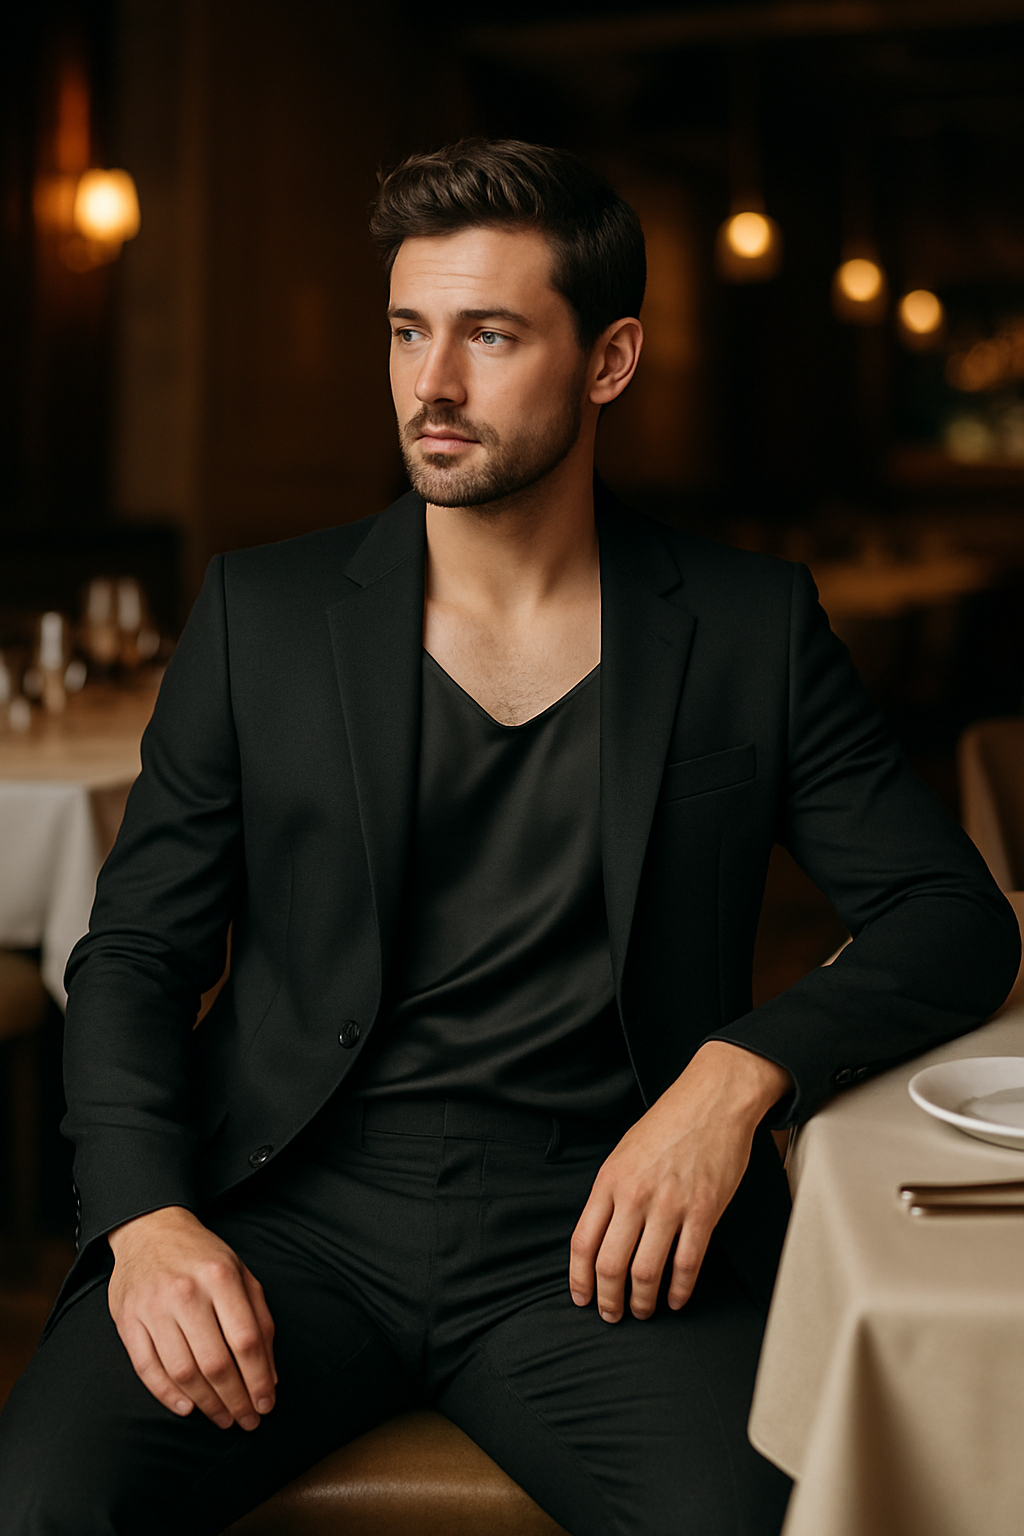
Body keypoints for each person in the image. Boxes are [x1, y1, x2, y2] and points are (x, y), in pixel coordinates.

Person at [0, 139, 1018, 1536]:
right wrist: (145, 1220)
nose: (432, 384)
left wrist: (735, 1083)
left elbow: (951, 916)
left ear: (608, 361)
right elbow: (131, 957)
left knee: (759, 1521)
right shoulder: (265, 618)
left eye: (490, 335)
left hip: (607, 1229)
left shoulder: (744, 629)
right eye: (410, 331)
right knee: (48, 1499)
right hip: (292, 1208)